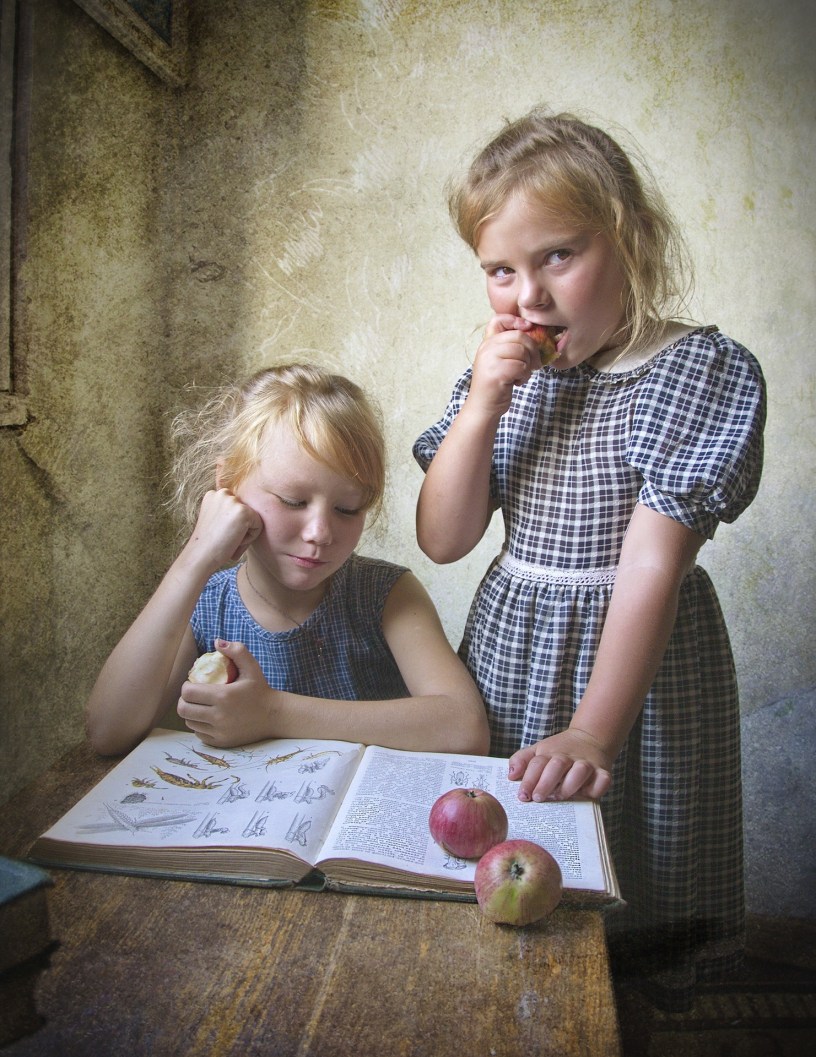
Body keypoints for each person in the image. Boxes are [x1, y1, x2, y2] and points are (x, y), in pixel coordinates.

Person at [413, 108, 765, 1008]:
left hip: (633, 668)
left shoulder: (695, 372)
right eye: (501, 269)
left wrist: (596, 730)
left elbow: (650, 565)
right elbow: (445, 538)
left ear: (632, 240)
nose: (527, 296)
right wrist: (482, 408)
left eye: (558, 257)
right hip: (513, 648)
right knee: (515, 863)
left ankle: (642, 1013)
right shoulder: (503, 379)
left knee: (642, 869)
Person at [86, 363, 489, 761]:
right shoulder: (206, 605)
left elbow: (464, 728)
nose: (320, 532)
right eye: (293, 501)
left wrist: (273, 713)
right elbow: (107, 731)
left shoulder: (385, 594)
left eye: (348, 508)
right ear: (228, 486)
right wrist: (195, 558)